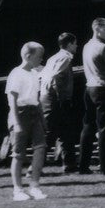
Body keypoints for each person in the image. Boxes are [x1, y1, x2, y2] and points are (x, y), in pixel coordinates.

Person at [6, 43, 48, 201]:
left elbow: (36, 99)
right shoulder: (16, 74)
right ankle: (17, 190)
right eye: (39, 56)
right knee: (18, 154)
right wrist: (16, 123)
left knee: (40, 147)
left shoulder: (34, 73)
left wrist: (42, 119)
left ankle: (35, 186)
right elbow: (12, 100)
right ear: (28, 56)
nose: (41, 59)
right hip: (20, 114)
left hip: (34, 113)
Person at [79, 17, 105, 174]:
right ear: (97, 29)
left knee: (88, 127)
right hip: (103, 89)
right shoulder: (103, 48)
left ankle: (83, 166)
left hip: (89, 88)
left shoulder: (86, 46)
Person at [41, 32, 78, 172]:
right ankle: (35, 167)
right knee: (50, 133)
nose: (76, 46)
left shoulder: (53, 58)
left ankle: (70, 164)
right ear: (69, 44)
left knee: (66, 131)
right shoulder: (66, 57)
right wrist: (61, 98)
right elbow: (55, 76)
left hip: (47, 97)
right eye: (75, 43)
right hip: (55, 99)